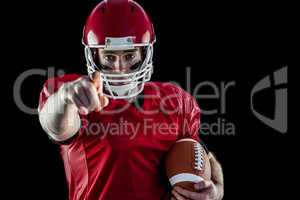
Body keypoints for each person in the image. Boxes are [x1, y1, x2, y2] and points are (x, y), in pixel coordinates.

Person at [38, 0, 224, 199]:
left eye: (129, 55)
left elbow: (197, 151)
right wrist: (66, 97)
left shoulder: (175, 100)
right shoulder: (78, 94)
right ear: (94, 55)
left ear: (144, 53)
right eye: (109, 57)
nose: (120, 69)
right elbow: (55, 127)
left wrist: (217, 188)